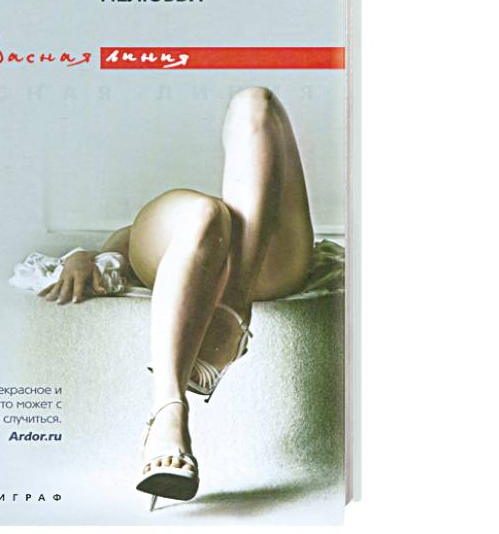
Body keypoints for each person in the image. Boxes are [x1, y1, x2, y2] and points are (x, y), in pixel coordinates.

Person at [38, 87, 314, 506]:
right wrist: (85, 256)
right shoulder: (185, 221)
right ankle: (169, 408)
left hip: (265, 264)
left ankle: (233, 304)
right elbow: (119, 252)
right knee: (206, 213)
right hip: (225, 252)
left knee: (254, 101)